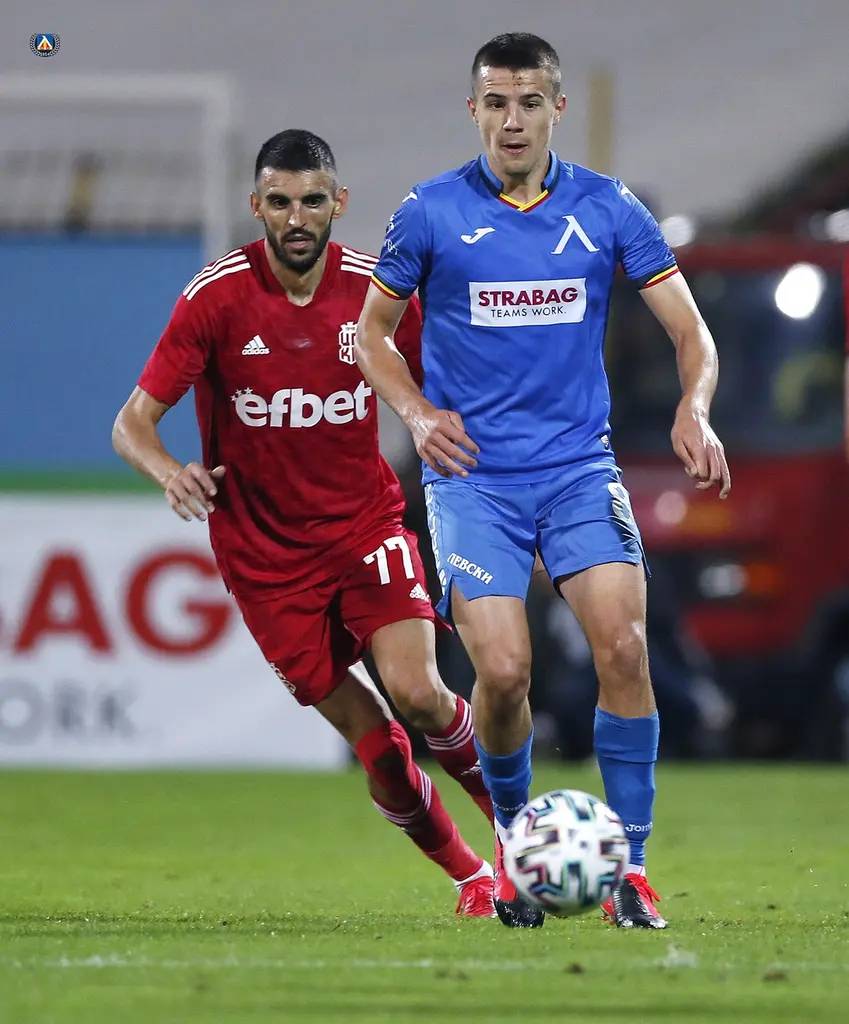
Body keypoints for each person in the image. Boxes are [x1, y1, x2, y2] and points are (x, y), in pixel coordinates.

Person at [356, 33, 731, 929]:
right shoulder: (430, 212)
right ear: (474, 110)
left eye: (528, 102)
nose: (512, 120)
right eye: (496, 103)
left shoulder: (606, 207)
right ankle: (514, 844)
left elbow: (691, 332)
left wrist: (694, 408)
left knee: (625, 649)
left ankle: (631, 869)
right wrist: (416, 414)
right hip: (473, 480)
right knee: (503, 672)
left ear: (556, 108)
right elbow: (370, 336)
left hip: (576, 470)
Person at [112, 129, 495, 917]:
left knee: (419, 692)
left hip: (364, 528)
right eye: (280, 202)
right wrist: (171, 471)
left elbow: (446, 392)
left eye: (312, 201)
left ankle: (520, 836)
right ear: (255, 205)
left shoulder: (377, 295)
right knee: (377, 747)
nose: (296, 218)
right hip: (264, 561)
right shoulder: (214, 299)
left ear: (337, 204)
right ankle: (471, 878)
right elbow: (131, 425)